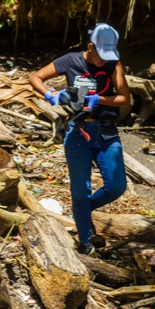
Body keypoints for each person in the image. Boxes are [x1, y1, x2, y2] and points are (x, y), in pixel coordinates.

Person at [28, 23, 132, 255]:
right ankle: (85, 242)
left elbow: (125, 99)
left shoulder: (114, 65)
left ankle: (83, 210)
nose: (104, 61)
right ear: (90, 46)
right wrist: (49, 95)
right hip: (78, 132)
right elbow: (35, 77)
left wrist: (100, 100)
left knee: (116, 187)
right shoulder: (70, 61)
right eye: (101, 55)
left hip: (106, 132)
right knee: (79, 191)